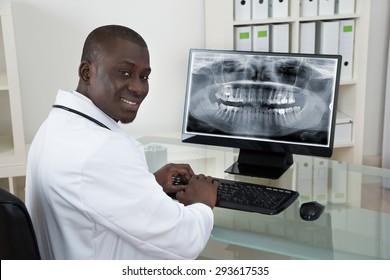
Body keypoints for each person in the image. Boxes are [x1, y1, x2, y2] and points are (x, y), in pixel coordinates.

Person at [25, 25, 219, 260]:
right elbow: (184, 240)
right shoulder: (102, 149)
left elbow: (91, 192)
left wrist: (148, 184)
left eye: (144, 76)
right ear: (87, 72)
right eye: (124, 72)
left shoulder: (55, 126)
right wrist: (202, 202)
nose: (138, 88)